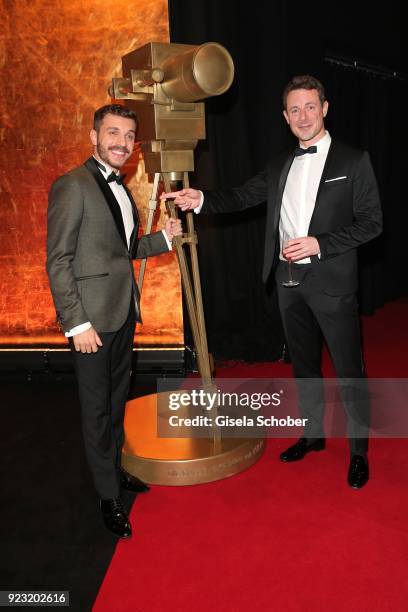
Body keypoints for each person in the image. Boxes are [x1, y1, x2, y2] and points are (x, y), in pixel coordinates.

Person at [161, 75, 382, 489]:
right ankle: (313, 435)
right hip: (287, 281)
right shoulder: (280, 163)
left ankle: (358, 452)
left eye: (310, 107)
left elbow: (372, 224)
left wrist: (320, 243)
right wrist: (202, 199)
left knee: (350, 370)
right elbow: (243, 196)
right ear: (285, 116)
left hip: (332, 281)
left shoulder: (354, 161)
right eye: (294, 109)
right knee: (303, 367)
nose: (303, 115)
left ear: (325, 108)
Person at [46, 104, 182, 538]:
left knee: (116, 400)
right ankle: (108, 496)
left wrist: (163, 239)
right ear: (93, 136)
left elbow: (121, 253)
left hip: (122, 313)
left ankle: (116, 468)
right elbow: (59, 260)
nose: (121, 143)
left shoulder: (121, 189)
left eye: (128, 136)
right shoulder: (72, 185)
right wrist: (76, 323)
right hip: (90, 323)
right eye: (112, 133)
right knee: (96, 410)